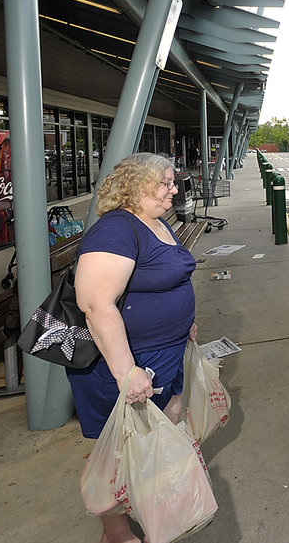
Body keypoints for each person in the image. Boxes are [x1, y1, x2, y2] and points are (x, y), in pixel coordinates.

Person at [68, 152, 198, 543]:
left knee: (151, 440)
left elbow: (166, 277)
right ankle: (116, 530)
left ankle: (146, 507)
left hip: (165, 353)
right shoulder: (116, 230)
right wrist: (126, 372)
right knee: (115, 451)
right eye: (166, 182)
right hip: (126, 362)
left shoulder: (154, 222)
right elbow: (95, 304)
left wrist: (185, 321)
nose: (174, 189)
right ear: (137, 185)